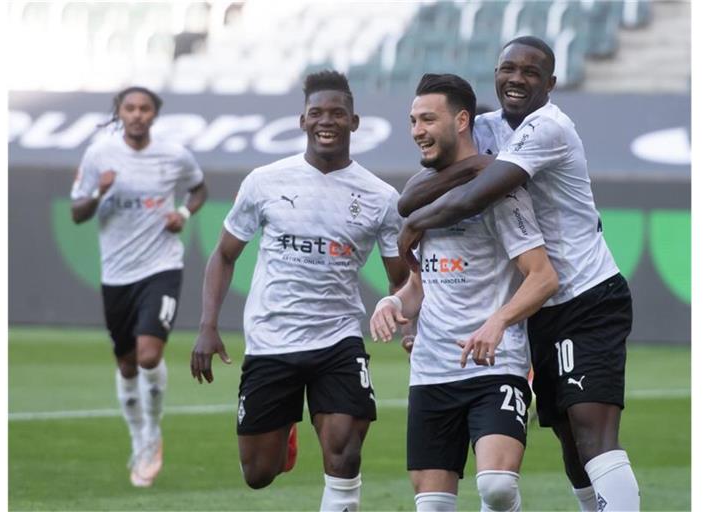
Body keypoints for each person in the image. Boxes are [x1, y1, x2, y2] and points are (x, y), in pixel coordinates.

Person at [397, 37, 640, 511]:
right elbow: (414, 190)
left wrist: (417, 221)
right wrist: (423, 202)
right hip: (539, 308)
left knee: (593, 432)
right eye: (508, 68)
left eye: (531, 72)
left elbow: (470, 198)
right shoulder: (483, 127)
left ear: (550, 83)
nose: (516, 79)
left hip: (585, 294)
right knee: (571, 443)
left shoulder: (548, 127)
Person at [190, 70, 409, 511]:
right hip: (272, 338)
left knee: (344, 451)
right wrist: (207, 326)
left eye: (337, 113)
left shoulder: (381, 197)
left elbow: (400, 276)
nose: (326, 121)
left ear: (355, 122)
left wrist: (408, 321)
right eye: (317, 113)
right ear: (302, 121)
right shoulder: (265, 181)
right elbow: (224, 254)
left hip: (338, 338)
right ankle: (284, 433)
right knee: (258, 473)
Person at [370, 73, 558, 512]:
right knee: (433, 506)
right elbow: (423, 282)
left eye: (428, 119)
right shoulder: (422, 194)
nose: (417, 130)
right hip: (432, 370)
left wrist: (497, 322)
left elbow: (543, 276)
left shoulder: (500, 191)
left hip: (495, 363)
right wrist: (394, 301)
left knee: (496, 487)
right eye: (413, 120)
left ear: (461, 120)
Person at [70, 86, 208, 487]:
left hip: (161, 266)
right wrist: (100, 191)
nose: (137, 115)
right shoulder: (100, 155)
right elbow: (78, 212)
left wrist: (182, 212)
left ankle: (152, 431)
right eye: (129, 108)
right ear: (120, 113)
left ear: (154, 115)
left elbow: (199, 188)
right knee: (127, 363)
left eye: (144, 108)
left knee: (149, 356)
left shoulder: (173, 154)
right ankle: (138, 435)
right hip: (117, 273)